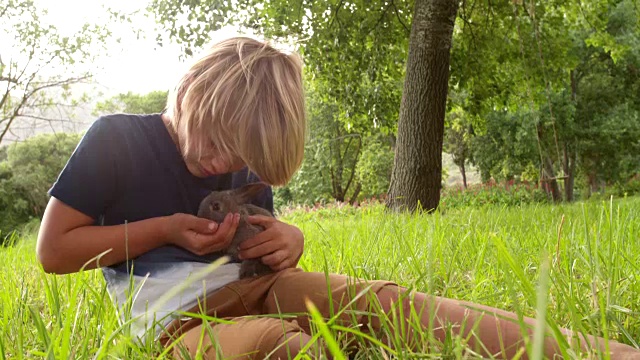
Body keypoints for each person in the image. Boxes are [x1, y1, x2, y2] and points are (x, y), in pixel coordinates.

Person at [36, 36, 640, 359]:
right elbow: (54, 251)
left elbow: (264, 244)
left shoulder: (246, 158)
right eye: (219, 143)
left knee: (398, 307)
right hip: (174, 326)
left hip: (259, 285)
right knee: (284, 348)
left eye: (241, 157)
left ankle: (599, 352)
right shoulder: (115, 139)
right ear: (190, 88)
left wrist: (289, 242)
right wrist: (166, 228)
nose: (223, 164)